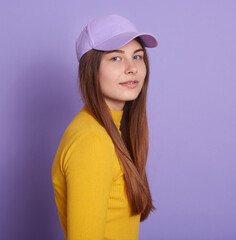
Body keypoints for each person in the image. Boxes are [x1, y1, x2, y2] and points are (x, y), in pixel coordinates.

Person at [51, 14, 158, 240]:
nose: (132, 68)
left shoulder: (109, 131)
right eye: (116, 59)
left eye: (137, 56)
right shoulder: (92, 140)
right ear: (90, 69)